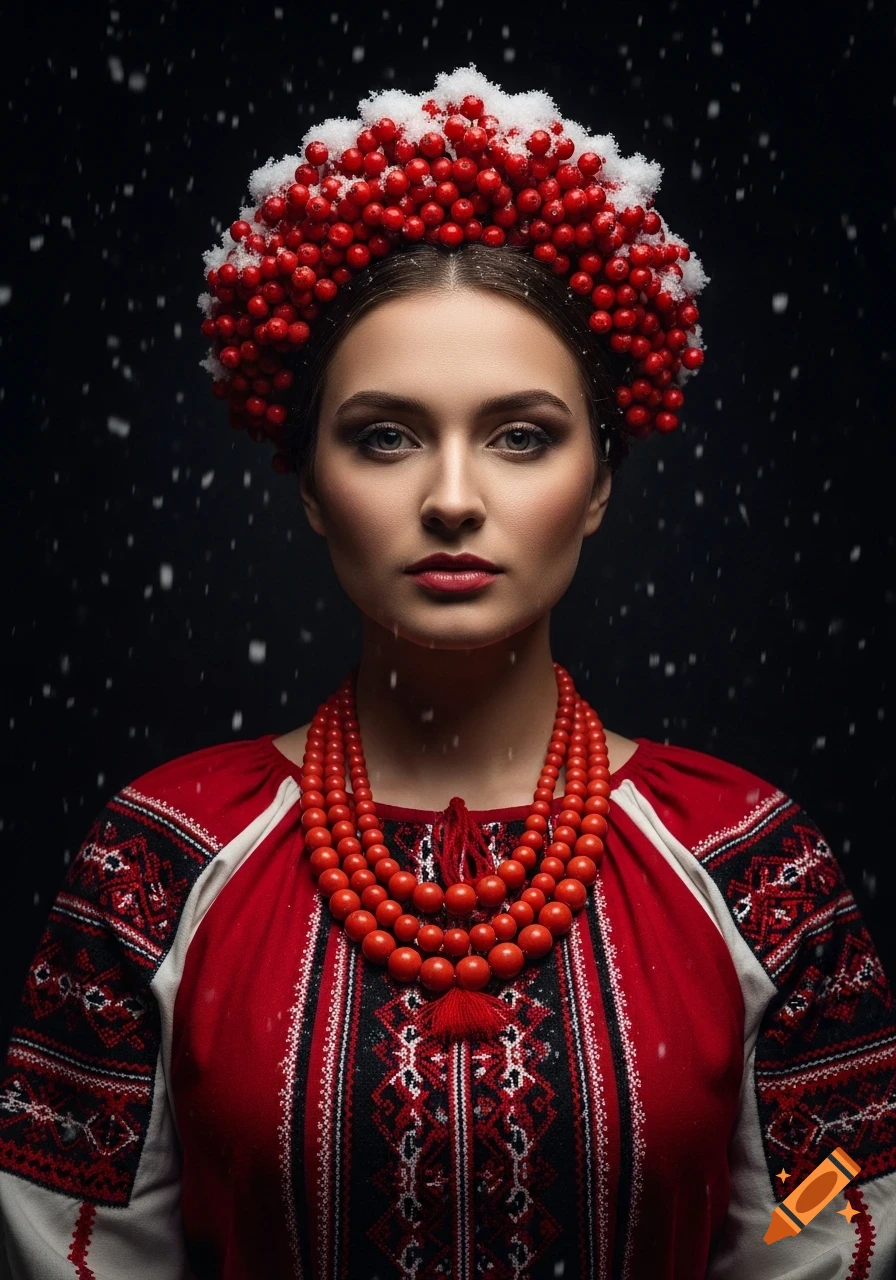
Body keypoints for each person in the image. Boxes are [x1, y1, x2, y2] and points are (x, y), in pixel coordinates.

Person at [1, 68, 894, 1280]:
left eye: (522, 434)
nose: (455, 497)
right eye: (385, 434)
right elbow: (73, 1245)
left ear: (599, 481)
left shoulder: (754, 863)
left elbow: (830, 1212)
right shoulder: (154, 861)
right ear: (311, 485)